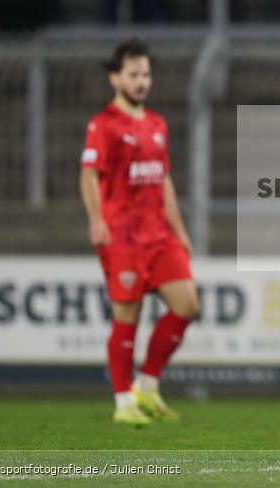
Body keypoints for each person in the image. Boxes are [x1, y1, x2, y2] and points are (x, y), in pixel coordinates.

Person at [80, 39, 199, 425]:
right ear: (116, 78)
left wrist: (179, 231)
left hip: (159, 235)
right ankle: (122, 402)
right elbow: (89, 175)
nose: (142, 81)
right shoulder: (104, 125)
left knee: (187, 305)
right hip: (124, 236)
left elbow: (163, 180)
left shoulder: (157, 125)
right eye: (134, 74)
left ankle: (147, 384)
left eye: (146, 74)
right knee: (127, 318)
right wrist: (96, 220)